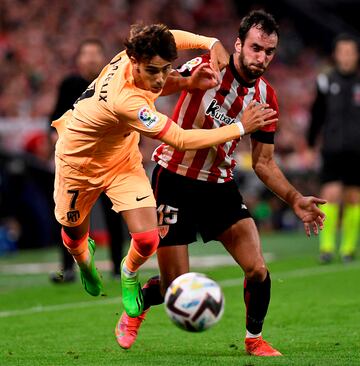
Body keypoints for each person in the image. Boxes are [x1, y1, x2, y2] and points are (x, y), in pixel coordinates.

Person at [115, 11, 326, 356]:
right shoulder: (207, 66)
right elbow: (152, 85)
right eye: (256, 48)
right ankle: (139, 300)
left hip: (219, 186)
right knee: (175, 288)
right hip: (175, 180)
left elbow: (263, 162)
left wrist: (295, 199)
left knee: (257, 268)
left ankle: (254, 339)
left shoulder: (266, 97)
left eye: (269, 52)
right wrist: (185, 82)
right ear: (239, 43)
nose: (261, 58)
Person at [51, 24, 277, 320]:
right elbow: (181, 139)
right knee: (74, 238)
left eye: (166, 69)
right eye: (153, 71)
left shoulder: (136, 53)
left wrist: (209, 43)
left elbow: (172, 36)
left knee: (146, 239)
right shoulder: (126, 102)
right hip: (77, 164)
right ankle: (83, 262)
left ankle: (129, 273)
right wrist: (240, 128)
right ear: (134, 61)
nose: (160, 79)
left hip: (121, 159)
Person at [48, 39, 125, 282]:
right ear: (79, 59)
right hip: (76, 163)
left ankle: (116, 267)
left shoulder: (111, 82)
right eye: (86, 53)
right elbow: (55, 119)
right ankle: (68, 269)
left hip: (107, 161)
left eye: (95, 53)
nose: (91, 58)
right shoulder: (69, 84)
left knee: (114, 214)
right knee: (69, 216)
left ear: (103, 57)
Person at [307, 34, 360, 264]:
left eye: (350, 52)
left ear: (356, 55)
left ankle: (348, 249)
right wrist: (310, 143)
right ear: (336, 55)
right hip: (332, 148)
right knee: (329, 196)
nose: (346, 57)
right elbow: (316, 114)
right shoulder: (325, 81)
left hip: (357, 150)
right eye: (343, 52)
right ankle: (327, 247)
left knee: (353, 198)